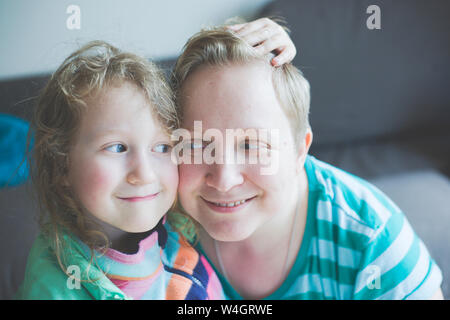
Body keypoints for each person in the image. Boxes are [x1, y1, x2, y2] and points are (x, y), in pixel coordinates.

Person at [18, 18, 297, 300]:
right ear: (62, 162)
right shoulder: (54, 288)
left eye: (163, 148)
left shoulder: (174, 216)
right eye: (116, 148)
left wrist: (271, 43)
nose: (145, 174)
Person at [169, 21, 444, 300]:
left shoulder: (373, 243)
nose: (224, 180)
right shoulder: (158, 219)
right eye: (197, 145)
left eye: (252, 146)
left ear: (301, 150)